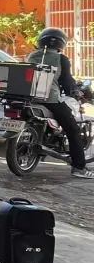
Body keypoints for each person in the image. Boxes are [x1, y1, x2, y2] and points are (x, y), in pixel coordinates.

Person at [26, 28, 93, 179]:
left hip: (28, 98)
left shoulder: (31, 56)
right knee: (73, 129)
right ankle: (79, 167)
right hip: (50, 99)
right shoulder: (61, 59)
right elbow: (66, 81)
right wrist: (75, 91)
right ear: (61, 43)